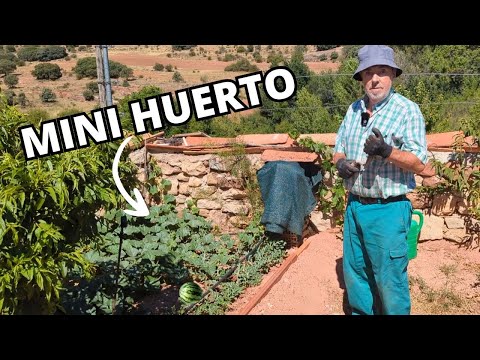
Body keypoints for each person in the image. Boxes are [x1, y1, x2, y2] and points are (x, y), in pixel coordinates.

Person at [333, 45, 428, 315]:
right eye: (368, 73)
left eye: (382, 72)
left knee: (390, 282)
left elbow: (419, 162)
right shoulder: (353, 110)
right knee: (356, 276)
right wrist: (340, 163)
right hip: (354, 207)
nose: (375, 79)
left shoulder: (407, 110)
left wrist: (386, 152)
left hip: (388, 209)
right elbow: (338, 148)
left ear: (393, 75)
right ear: (362, 78)